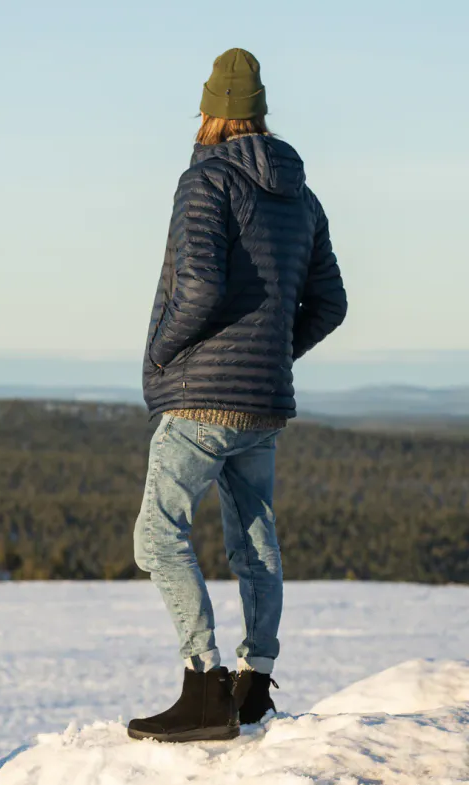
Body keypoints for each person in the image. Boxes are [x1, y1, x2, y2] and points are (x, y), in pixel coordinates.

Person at [128, 48, 348, 743]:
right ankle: (253, 686)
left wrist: (165, 350)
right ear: (259, 113)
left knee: (157, 536)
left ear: (212, 112)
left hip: (200, 397)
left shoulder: (208, 182)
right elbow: (330, 302)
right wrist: (271, 356)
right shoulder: (302, 196)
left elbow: (199, 288)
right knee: (254, 543)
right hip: (263, 404)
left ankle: (203, 686)